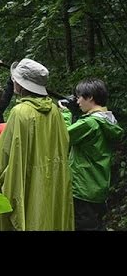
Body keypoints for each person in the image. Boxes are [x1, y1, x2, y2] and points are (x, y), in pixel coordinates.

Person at [0, 58, 74, 231]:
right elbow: (64, 145)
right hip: (53, 185)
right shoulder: (55, 111)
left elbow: (3, 154)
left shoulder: (20, 112)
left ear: (21, 85)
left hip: (26, 185)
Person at [58, 78, 124, 230]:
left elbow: (62, 137)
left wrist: (66, 114)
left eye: (80, 97)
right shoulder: (109, 121)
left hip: (82, 189)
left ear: (90, 97)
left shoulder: (90, 123)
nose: (78, 101)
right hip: (98, 188)